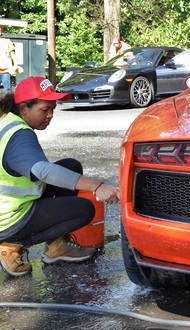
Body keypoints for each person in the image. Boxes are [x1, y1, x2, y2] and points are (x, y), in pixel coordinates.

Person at [0, 77, 120, 277]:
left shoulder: (7, 121)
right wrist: (97, 186)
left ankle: (57, 247)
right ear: (24, 109)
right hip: (8, 220)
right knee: (84, 210)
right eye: (44, 109)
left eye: (53, 109)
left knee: (71, 166)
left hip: (8, 207)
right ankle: (11, 244)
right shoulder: (20, 135)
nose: (50, 115)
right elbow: (44, 171)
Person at [0, 26, 22, 91]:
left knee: (7, 91)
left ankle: (8, 101)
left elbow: (12, 54)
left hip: (6, 71)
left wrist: (15, 65)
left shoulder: (7, 41)